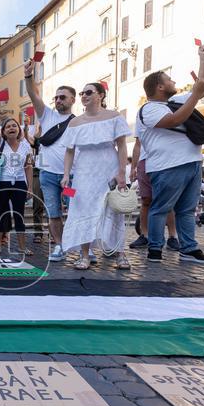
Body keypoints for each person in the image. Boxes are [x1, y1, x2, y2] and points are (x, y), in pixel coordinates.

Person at [137, 47, 204, 265]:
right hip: (166, 166)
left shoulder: (175, 101)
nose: (174, 82)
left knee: (187, 210)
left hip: (192, 162)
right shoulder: (149, 109)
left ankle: (188, 248)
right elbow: (173, 120)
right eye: (169, 80)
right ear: (160, 86)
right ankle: (155, 249)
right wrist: (196, 94)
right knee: (161, 208)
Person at [60, 82, 131, 270]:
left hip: (109, 166)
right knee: (83, 209)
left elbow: (122, 145)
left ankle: (120, 253)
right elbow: (69, 151)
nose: (84, 95)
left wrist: (122, 172)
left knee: (113, 210)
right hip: (84, 171)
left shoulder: (114, 117)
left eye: (89, 92)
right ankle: (84, 255)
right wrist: (66, 174)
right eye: (82, 93)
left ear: (101, 95)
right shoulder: (75, 122)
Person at [23, 59, 76, 259]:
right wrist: (28, 76)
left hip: (70, 177)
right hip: (47, 176)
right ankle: (60, 245)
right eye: (56, 97)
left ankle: (80, 246)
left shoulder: (79, 121)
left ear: (72, 100)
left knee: (74, 210)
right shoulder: (47, 116)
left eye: (63, 97)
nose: (58, 100)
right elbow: (33, 94)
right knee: (53, 212)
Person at [0, 108, 33, 256]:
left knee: (19, 215)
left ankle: (22, 247)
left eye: (14, 125)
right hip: (2, 183)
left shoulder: (26, 145)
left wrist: (30, 188)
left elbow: (28, 167)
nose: (11, 128)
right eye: (8, 127)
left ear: (19, 129)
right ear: (4, 132)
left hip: (20, 184)